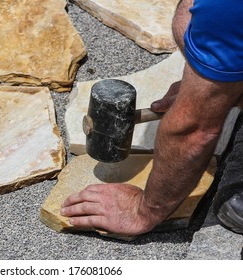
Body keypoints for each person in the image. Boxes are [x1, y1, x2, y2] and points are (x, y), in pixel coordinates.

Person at [61, 0, 243, 237]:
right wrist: (214, 84)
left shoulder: (224, 11)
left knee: (233, 206)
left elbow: (193, 130)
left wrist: (144, 210)